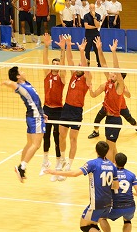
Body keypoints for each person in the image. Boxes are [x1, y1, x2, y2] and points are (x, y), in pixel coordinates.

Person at [45, 141, 119, 232]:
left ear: (96, 150)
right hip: (108, 201)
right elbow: (116, 186)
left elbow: (75, 174)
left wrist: (55, 172)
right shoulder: (112, 165)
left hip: (96, 202)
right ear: (107, 151)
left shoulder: (92, 164)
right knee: (100, 220)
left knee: (84, 226)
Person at [2, 66, 47, 182]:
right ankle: (22, 167)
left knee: (29, 144)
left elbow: (35, 100)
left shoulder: (27, 84)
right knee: (36, 145)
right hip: (35, 118)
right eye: (21, 72)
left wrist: (42, 112)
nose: (24, 72)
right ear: (18, 76)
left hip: (35, 115)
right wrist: (6, 82)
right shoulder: (20, 87)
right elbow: (13, 85)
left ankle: (21, 170)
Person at [58, 37, 92, 181]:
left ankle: (69, 165)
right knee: (62, 135)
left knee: (73, 138)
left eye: (81, 66)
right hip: (66, 108)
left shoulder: (87, 78)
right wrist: (67, 46)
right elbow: (70, 59)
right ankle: (63, 159)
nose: (78, 67)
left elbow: (84, 66)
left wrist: (83, 52)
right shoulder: (74, 74)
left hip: (77, 111)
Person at [89, 38, 124, 162]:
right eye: (112, 74)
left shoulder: (119, 86)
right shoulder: (108, 83)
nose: (112, 74)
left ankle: (109, 168)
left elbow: (117, 68)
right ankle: (118, 168)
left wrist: (114, 52)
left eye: (114, 74)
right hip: (108, 118)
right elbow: (103, 65)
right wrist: (99, 50)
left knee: (109, 146)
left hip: (115, 119)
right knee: (112, 146)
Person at [40, 33, 66, 182]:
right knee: (46, 135)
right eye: (53, 64)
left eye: (57, 64)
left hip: (58, 109)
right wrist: (45, 46)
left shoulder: (62, 77)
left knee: (57, 136)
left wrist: (62, 50)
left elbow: (63, 67)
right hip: (46, 109)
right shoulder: (47, 74)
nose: (55, 66)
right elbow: (44, 61)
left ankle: (58, 165)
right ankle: (45, 162)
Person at [100, 152, 137, 232]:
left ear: (115, 162)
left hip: (116, 207)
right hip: (130, 206)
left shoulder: (110, 174)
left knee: (101, 218)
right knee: (127, 221)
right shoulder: (131, 175)